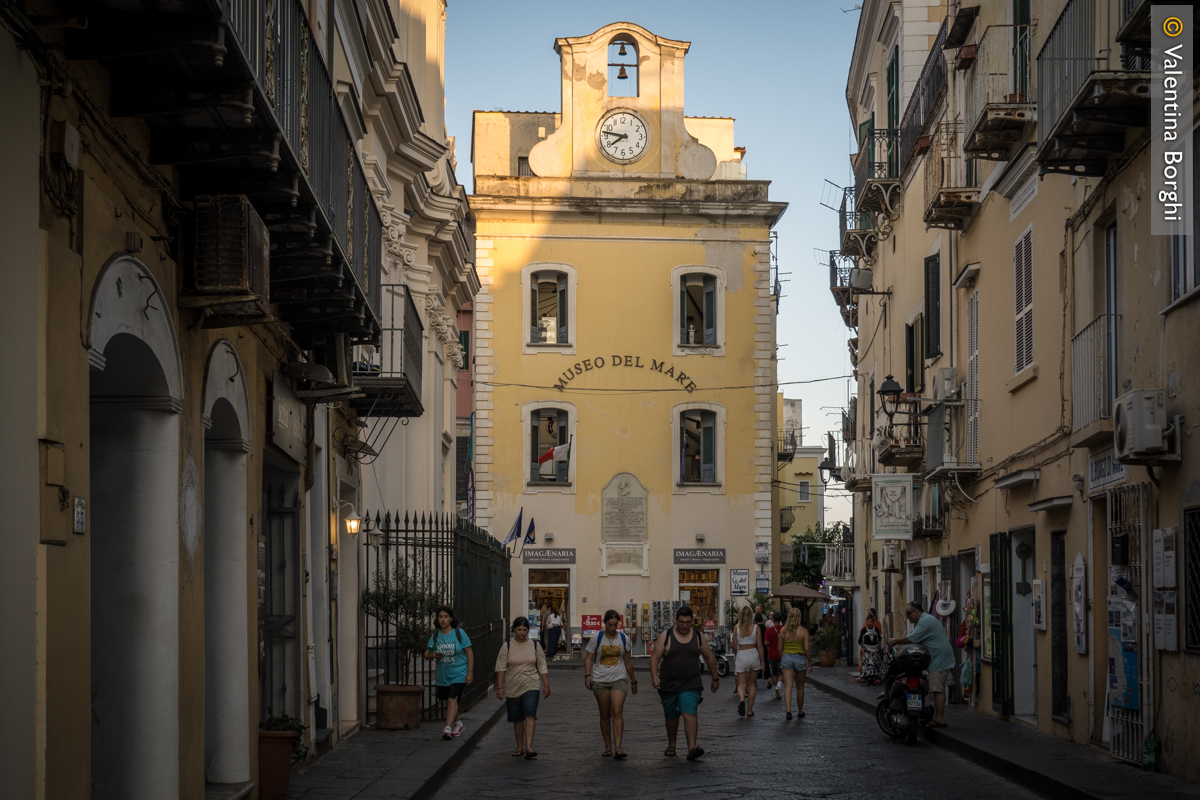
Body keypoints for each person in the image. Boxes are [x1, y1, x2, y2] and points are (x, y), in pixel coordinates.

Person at [649, 605, 719, 761]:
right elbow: (654, 657)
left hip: (691, 683)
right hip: (668, 684)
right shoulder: (665, 636)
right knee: (671, 716)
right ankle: (672, 744)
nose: (685, 625)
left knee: (689, 711)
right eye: (681, 622)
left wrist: (715, 678)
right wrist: (654, 676)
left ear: (692, 621)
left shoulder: (698, 637)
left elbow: (709, 658)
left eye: (688, 622)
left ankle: (691, 748)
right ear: (675, 620)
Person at [887, 600, 955, 728]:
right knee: (935, 687)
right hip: (937, 657)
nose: (907, 616)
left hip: (939, 659)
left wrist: (894, 641)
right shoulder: (925, 620)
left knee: (937, 688)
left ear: (916, 611)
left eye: (908, 613)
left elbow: (910, 638)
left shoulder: (925, 621)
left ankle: (940, 718)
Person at [583, 609, 637, 758]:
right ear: (604, 624)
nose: (613, 628)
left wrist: (633, 681)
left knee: (617, 711)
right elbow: (588, 658)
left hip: (618, 679)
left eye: (615, 625)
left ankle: (618, 748)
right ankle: (608, 747)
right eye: (610, 625)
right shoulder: (597, 638)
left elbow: (628, 661)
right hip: (600, 680)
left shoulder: (624, 639)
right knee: (605, 714)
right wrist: (587, 675)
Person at [495, 617, 550, 758]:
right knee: (517, 718)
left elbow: (542, 665)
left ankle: (529, 747)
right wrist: (500, 687)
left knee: (530, 713)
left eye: (525, 630)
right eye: (519, 630)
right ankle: (519, 747)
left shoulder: (534, 645)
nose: (522, 633)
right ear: (514, 629)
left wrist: (546, 684)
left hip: (531, 684)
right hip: (512, 686)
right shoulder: (507, 646)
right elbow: (500, 667)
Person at [424, 605, 473, 740]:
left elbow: (469, 652)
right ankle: (458, 723)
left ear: (451, 619)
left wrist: (470, 672)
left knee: (452, 698)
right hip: (443, 674)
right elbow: (427, 654)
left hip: (459, 672)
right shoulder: (436, 636)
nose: (443, 620)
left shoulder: (459, 633)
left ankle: (447, 728)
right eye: (440, 617)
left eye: (446, 617)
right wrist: (434, 655)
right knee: (449, 700)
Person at [731, 605, 764, 717]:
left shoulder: (736, 628)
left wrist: (737, 656)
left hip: (742, 655)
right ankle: (749, 710)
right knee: (752, 684)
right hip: (753, 655)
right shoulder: (756, 628)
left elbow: (735, 646)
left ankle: (741, 699)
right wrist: (762, 662)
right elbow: (760, 646)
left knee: (741, 684)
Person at [779, 608, 812, 719]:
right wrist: (810, 662)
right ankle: (800, 710)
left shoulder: (783, 630)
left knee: (788, 686)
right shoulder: (803, 631)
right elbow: (807, 648)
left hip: (786, 657)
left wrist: (782, 657)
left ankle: (788, 711)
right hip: (800, 657)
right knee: (800, 687)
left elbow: (780, 648)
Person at [857, 609, 884, 685]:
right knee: (868, 663)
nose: (869, 623)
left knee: (876, 663)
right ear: (866, 622)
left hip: (875, 649)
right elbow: (859, 641)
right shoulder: (864, 630)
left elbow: (879, 639)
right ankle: (867, 678)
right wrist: (864, 648)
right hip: (867, 649)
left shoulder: (876, 629)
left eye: (871, 621)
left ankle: (875, 678)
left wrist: (879, 647)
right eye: (868, 621)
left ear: (873, 622)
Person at [764, 611, 784, 699]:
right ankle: (779, 686)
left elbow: (766, 642)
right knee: (782, 672)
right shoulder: (784, 629)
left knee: (774, 673)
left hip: (771, 654)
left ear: (773, 619)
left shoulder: (769, 630)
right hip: (782, 654)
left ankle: (776, 689)